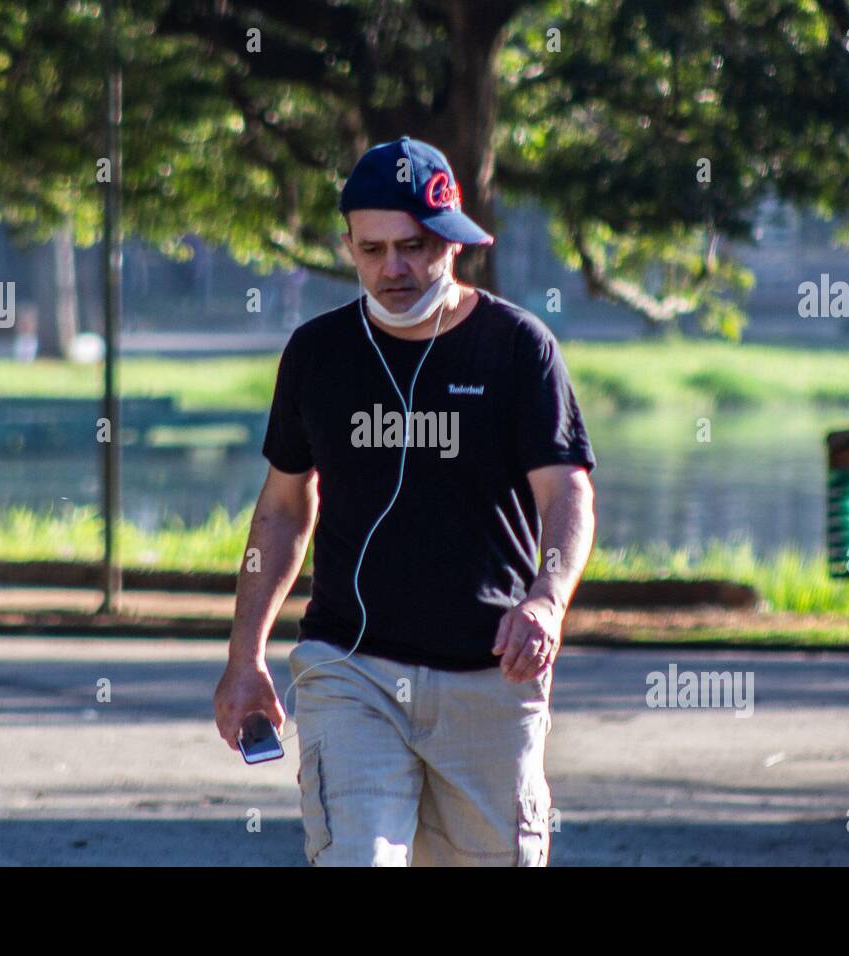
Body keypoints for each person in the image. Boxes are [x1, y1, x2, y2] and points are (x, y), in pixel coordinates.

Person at [213, 135, 596, 866]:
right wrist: (245, 656)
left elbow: (568, 493)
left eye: (414, 247)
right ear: (350, 245)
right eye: (372, 249)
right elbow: (283, 509)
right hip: (350, 667)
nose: (393, 268)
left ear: (453, 243)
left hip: (490, 677)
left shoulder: (518, 348)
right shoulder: (317, 354)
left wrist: (547, 599)